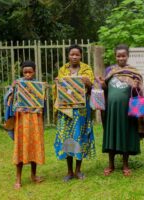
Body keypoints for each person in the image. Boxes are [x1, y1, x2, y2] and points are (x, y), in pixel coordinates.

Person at [97, 44, 144, 176]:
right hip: (111, 110)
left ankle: (125, 164)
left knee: (125, 134)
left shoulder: (134, 72)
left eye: (123, 55)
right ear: (115, 56)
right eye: (118, 56)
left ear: (128, 56)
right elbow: (105, 90)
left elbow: (140, 91)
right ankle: (111, 164)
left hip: (127, 111)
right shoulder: (110, 71)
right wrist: (102, 84)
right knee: (111, 134)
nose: (121, 58)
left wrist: (136, 86)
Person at [53, 44, 95, 181]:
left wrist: (88, 82)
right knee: (68, 137)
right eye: (72, 54)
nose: (75, 57)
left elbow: (92, 87)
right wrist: (57, 83)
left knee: (80, 137)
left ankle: (78, 170)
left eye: (77, 54)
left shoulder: (86, 69)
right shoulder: (62, 70)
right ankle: (69, 171)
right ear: (68, 56)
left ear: (81, 56)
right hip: (66, 111)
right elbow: (58, 89)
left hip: (81, 111)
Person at [4, 61, 45, 189]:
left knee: (34, 144)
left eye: (30, 72)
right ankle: (18, 178)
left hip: (34, 119)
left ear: (34, 71)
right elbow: (8, 100)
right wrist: (12, 88)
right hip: (21, 119)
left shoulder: (38, 85)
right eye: (25, 72)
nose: (27, 74)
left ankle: (33, 175)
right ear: (22, 72)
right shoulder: (17, 84)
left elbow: (42, 102)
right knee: (20, 146)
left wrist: (43, 91)